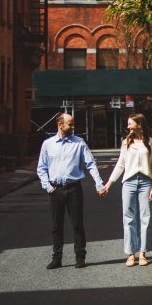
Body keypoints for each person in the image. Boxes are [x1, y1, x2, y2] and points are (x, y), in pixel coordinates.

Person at [36, 113, 106, 269]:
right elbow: (41, 168)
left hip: (74, 188)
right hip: (55, 189)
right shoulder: (48, 144)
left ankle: (80, 256)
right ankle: (57, 258)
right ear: (59, 125)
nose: (73, 127)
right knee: (56, 225)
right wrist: (48, 187)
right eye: (70, 124)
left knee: (77, 224)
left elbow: (91, 164)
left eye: (73, 124)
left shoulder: (79, 143)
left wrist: (99, 184)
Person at [102, 113, 152, 266]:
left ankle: (143, 253)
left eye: (130, 123)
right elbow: (120, 164)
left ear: (139, 125)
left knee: (145, 217)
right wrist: (108, 183)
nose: (128, 127)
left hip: (145, 182)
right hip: (129, 183)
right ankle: (130, 254)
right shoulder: (126, 142)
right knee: (129, 218)